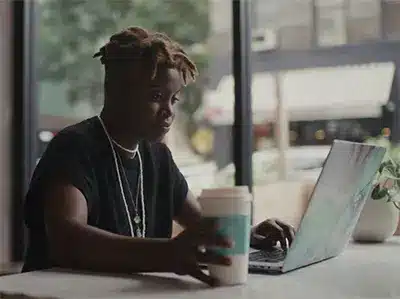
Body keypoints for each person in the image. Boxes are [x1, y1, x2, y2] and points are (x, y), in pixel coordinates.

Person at [23, 27, 295, 286]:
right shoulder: (74, 147)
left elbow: (202, 225)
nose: (168, 111)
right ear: (115, 91)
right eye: (156, 96)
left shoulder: (157, 156)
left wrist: (248, 236)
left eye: (173, 99)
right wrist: (166, 254)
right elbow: (67, 241)